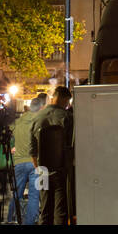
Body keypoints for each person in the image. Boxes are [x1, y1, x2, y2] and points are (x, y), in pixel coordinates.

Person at [31, 86, 73, 225]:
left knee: (45, 209)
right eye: (67, 101)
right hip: (62, 170)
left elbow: (32, 150)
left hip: (42, 169)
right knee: (61, 209)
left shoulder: (37, 117)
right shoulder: (67, 117)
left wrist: (38, 168)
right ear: (64, 99)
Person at [11, 93, 46, 224]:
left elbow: (9, 135)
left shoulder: (18, 121)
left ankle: (12, 219)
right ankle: (30, 222)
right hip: (36, 163)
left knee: (16, 194)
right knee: (34, 196)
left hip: (19, 161)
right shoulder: (41, 121)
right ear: (41, 107)